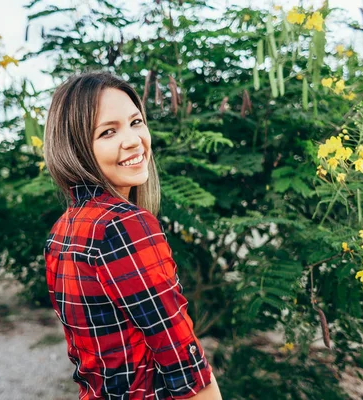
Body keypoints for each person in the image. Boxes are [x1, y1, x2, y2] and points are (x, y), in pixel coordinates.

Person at [43, 71, 222, 400]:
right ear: (76, 148)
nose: (133, 140)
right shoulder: (124, 225)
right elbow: (185, 367)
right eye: (108, 131)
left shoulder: (61, 232)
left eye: (136, 122)